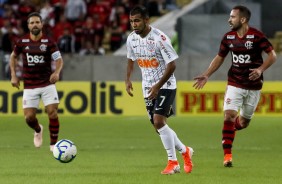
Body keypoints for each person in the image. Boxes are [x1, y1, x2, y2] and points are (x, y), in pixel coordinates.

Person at [193, 5, 277, 167]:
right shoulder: (228, 38)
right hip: (235, 82)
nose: (229, 20)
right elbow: (219, 58)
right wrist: (206, 74)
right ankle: (227, 156)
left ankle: (229, 132)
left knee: (243, 123)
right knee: (229, 115)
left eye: (232, 17)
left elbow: (272, 55)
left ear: (243, 19)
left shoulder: (257, 36)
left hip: (254, 86)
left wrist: (260, 69)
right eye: (230, 16)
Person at [125, 5, 193, 175]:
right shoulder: (131, 39)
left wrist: (157, 86)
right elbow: (130, 59)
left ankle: (173, 163)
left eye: (137, 20)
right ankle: (185, 151)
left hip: (166, 85)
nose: (134, 24)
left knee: (158, 121)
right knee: (158, 127)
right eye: (132, 21)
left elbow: (172, 65)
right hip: (147, 87)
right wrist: (128, 79)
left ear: (146, 20)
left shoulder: (160, 38)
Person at [9, 12, 64, 152]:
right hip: (29, 85)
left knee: (52, 112)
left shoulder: (49, 42)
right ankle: (38, 129)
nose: (35, 25)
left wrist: (56, 72)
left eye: (37, 22)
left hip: (47, 83)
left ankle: (53, 145)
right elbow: (13, 57)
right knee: (29, 118)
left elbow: (59, 60)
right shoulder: (22, 42)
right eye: (32, 23)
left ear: (42, 24)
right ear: (28, 26)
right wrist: (13, 75)